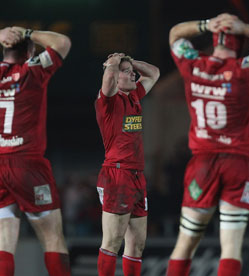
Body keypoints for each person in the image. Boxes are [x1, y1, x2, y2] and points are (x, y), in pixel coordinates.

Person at [167, 13, 249, 276]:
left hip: (202, 164)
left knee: (186, 242)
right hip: (238, 164)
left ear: (214, 40)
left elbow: (175, 35)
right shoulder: (245, 68)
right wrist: (246, 27)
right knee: (231, 247)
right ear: (241, 43)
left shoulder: (192, 63)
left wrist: (202, 24)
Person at [0, 26, 71, 276]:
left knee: (2, 241)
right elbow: (62, 42)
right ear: (31, 51)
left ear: (4, 48)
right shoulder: (32, 72)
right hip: (27, 164)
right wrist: (27, 32)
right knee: (52, 238)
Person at [94, 53, 160, 276]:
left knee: (137, 244)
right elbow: (108, 80)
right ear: (115, 76)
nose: (132, 74)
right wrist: (113, 63)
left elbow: (154, 73)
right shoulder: (108, 101)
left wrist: (131, 62)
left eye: (131, 71)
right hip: (117, 173)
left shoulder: (134, 96)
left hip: (136, 175)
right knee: (113, 240)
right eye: (126, 72)